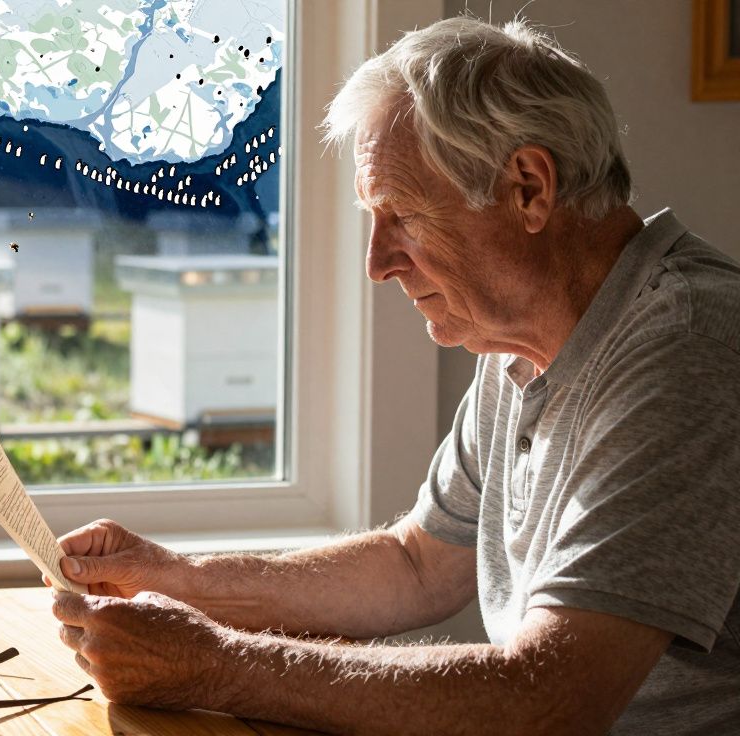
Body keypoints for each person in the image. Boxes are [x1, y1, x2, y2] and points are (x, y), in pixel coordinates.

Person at [48, 16, 740, 735]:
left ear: (529, 188)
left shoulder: (688, 349)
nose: (378, 264)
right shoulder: (522, 343)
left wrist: (215, 664)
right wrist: (175, 579)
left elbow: (548, 696)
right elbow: (415, 565)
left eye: (402, 215)